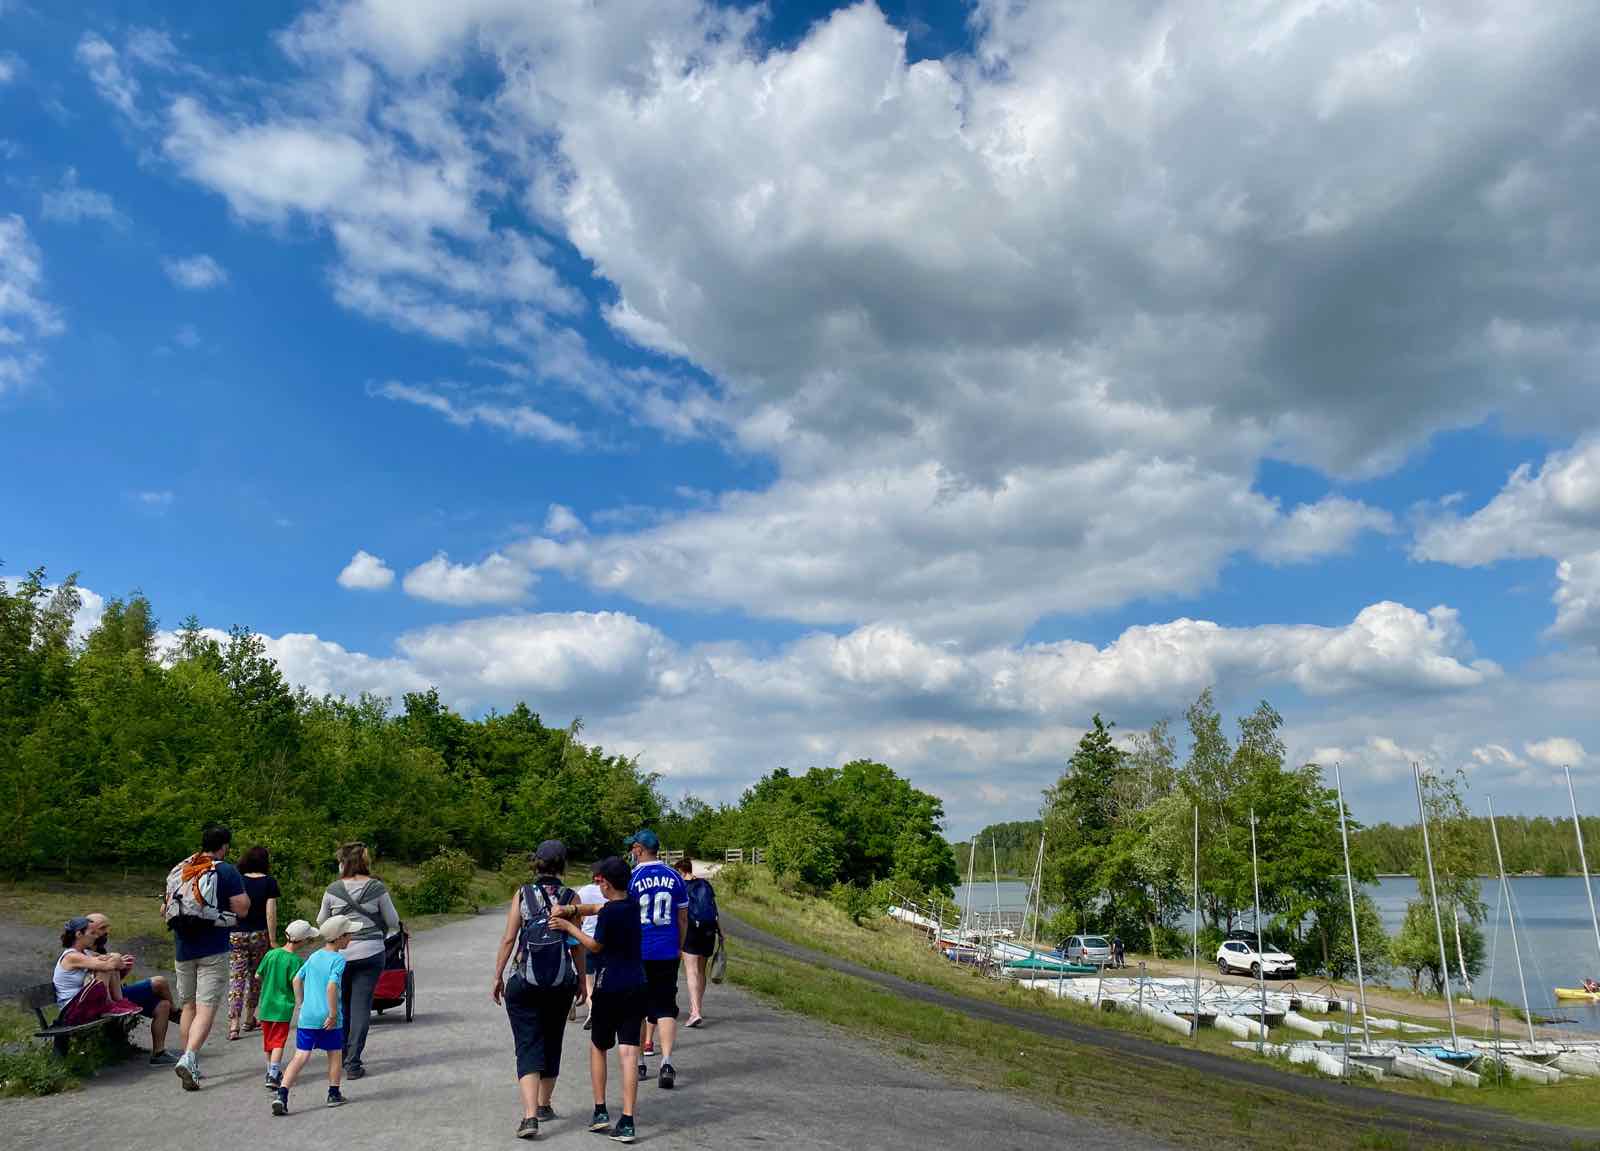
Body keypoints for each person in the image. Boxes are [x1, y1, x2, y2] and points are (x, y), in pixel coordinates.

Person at [492, 840, 587, 1140]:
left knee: (528, 1043)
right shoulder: (571, 898)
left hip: (524, 981)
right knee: (552, 1039)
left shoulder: (523, 893)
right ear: (563, 865)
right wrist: (582, 981)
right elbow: (576, 944)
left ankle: (530, 1116)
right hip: (560, 983)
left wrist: (497, 976)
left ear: (537, 864)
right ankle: (545, 1105)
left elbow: (509, 939)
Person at [550, 856, 645, 1144]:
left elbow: (594, 945)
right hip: (636, 984)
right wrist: (573, 909)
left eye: (600, 881)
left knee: (599, 1047)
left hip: (609, 985)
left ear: (606, 884)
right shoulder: (632, 905)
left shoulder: (608, 914)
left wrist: (569, 926)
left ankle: (600, 1110)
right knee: (629, 1051)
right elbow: (596, 908)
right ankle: (627, 1120)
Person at [166, 823, 250, 1090]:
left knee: (188, 1006)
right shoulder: (225, 870)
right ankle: (190, 1058)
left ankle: (190, 1060)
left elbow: (166, 908)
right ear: (224, 846)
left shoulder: (183, 868)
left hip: (183, 948)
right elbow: (242, 908)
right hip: (213, 949)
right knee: (206, 1008)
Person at [317, 841, 398, 1080]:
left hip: (340, 955)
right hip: (371, 953)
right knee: (361, 1007)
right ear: (364, 861)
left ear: (343, 863)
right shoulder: (377, 887)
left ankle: (341, 1055)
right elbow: (392, 921)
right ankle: (353, 1063)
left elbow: (321, 922)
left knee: (342, 1006)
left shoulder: (333, 890)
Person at [272, 915, 354, 1115]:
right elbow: (332, 986)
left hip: (308, 1016)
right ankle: (333, 1093)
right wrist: (333, 1014)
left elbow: (296, 980)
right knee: (335, 1053)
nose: (351, 938)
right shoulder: (338, 959)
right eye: (349, 935)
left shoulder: (315, 956)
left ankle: (282, 1094)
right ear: (340, 937)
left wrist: (301, 1004)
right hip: (328, 1017)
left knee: (300, 1056)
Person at [625, 830, 686, 1089]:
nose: (631, 852)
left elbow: (626, 916)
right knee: (665, 1006)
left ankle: (640, 1062)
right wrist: (679, 946)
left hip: (639, 950)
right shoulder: (675, 876)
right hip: (667, 950)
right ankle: (667, 1062)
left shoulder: (632, 878)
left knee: (638, 1007)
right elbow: (682, 918)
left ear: (639, 849)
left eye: (633, 848)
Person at [85, 912, 177, 1063]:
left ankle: (158, 1054)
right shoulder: (83, 953)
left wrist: (123, 970)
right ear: (90, 930)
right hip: (106, 1001)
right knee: (159, 982)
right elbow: (94, 986)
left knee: (163, 1005)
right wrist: (114, 963)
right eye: (102, 928)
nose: (106, 932)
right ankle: (177, 1014)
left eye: (107, 928)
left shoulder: (100, 950)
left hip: (116, 995)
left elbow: (110, 981)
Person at [256, 919, 319, 1090]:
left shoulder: (271, 954)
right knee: (278, 1042)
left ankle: (270, 1071)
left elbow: (258, 975)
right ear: (302, 940)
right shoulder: (296, 961)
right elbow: (297, 983)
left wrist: (270, 982)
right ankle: (274, 1073)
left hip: (266, 1005)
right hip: (282, 1008)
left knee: (268, 1042)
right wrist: (301, 1003)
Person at [52, 916, 144, 1028]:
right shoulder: (71, 956)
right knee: (104, 968)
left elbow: (112, 962)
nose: (96, 937)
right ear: (79, 934)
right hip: (71, 1012)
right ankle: (108, 1005)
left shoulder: (85, 953)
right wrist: (115, 959)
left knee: (108, 965)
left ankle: (119, 1002)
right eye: (92, 933)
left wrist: (116, 961)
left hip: (82, 1004)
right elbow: (109, 965)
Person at [228, 844, 281, 1040]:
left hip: (236, 934)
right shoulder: (269, 882)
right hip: (259, 935)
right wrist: (272, 940)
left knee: (237, 977)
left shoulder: (237, 880)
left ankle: (234, 1024)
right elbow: (270, 913)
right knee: (256, 977)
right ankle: (249, 1018)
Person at [674, 856, 723, 1028]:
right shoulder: (705, 885)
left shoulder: (681, 887)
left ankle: (695, 1012)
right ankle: (697, 1008)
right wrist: (721, 932)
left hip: (691, 931)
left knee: (691, 971)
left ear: (681, 871)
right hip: (709, 931)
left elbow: (679, 914)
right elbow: (714, 910)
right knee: (701, 971)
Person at [576, 875, 605, 1029]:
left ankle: (593, 1009)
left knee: (588, 982)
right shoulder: (610, 890)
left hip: (587, 940)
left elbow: (578, 916)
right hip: (605, 941)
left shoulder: (584, 891)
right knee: (604, 978)